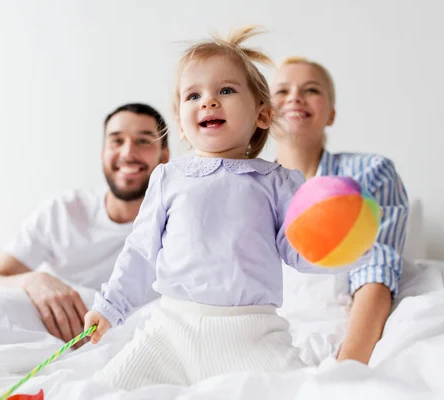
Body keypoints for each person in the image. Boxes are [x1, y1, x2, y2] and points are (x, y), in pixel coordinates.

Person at [83, 26, 371, 390]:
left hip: (252, 334)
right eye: (193, 95)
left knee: (301, 392)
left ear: (262, 115)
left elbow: (300, 250)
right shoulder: (168, 177)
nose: (208, 101)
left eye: (226, 90)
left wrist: (348, 249)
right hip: (171, 330)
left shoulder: (278, 181)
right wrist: (110, 307)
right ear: (182, 126)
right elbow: (141, 252)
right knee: (104, 389)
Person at [0, 103, 170, 347]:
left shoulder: (177, 225)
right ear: (103, 152)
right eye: (117, 141)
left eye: (143, 141)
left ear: (164, 156)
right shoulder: (62, 212)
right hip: (36, 336)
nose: (127, 153)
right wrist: (34, 280)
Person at [271, 56, 409, 364]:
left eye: (311, 90)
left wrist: (348, 366)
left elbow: (376, 267)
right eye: (282, 91)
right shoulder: (247, 188)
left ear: (331, 114)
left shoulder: (370, 172)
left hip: (339, 338)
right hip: (262, 341)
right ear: (264, 113)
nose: (295, 97)